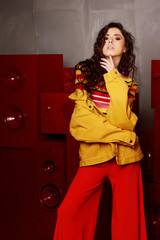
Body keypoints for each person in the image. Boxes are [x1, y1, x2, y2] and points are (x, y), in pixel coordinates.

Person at [53, 22, 147, 240]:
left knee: (128, 224)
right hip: (95, 155)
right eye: (106, 37)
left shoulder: (128, 84)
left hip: (126, 158)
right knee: (68, 212)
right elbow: (81, 122)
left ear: (125, 48)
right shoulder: (84, 71)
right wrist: (125, 136)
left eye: (117, 38)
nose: (111, 41)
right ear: (100, 44)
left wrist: (114, 76)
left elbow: (121, 120)